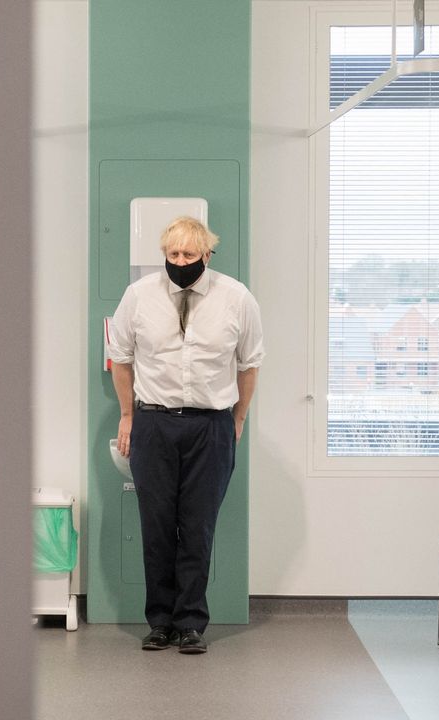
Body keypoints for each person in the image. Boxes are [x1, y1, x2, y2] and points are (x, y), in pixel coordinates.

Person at [107, 216, 264, 654]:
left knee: (198, 528)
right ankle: (159, 622)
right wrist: (126, 416)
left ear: (206, 255)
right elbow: (120, 358)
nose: (180, 262)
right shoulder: (139, 297)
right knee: (156, 527)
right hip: (154, 423)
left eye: (189, 255)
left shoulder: (236, 298)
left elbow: (249, 364)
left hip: (210, 425)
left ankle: (191, 622)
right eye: (173, 255)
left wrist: (239, 418)